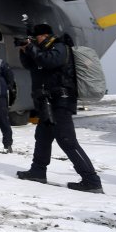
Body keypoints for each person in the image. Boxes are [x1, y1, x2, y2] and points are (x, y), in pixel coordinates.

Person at [17, 24, 103, 193]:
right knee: (42, 137)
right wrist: (24, 49)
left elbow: (49, 61)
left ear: (45, 35)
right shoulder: (40, 51)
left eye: (37, 37)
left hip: (61, 101)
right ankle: (38, 171)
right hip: (46, 102)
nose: (35, 40)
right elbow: (30, 65)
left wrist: (32, 48)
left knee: (66, 140)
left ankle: (91, 180)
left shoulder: (60, 47)